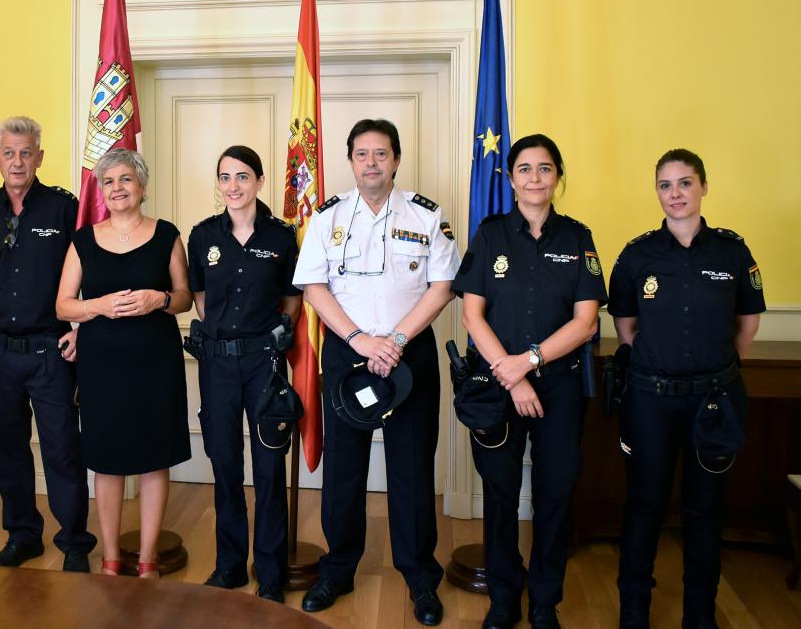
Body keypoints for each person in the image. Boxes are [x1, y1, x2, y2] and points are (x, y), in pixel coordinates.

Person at [292, 119, 459, 624]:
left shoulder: (427, 216)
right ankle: (338, 568)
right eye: (362, 154)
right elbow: (313, 286)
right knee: (345, 468)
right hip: (348, 353)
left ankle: (419, 577)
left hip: (409, 354)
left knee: (412, 467)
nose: (371, 162)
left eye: (381, 154)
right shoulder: (327, 217)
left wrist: (396, 340)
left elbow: (443, 284)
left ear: (396, 159)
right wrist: (360, 340)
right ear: (350, 161)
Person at [451, 133, 606, 629]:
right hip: (499, 384)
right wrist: (512, 374)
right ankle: (503, 597)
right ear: (511, 177)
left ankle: (544, 600)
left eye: (544, 168)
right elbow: (472, 316)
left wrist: (531, 362)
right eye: (524, 168)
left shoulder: (578, 237)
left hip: (559, 386)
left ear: (558, 177)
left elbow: (585, 323)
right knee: (498, 494)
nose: (534, 178)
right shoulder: (491, 233)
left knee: (555, 494)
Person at [610, 149, 764, 629]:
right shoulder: (637, 255)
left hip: (711, 401)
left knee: (705, 508)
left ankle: (700, 614)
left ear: (703, 187)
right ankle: (635, 610)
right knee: (644, 506)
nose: (674, 194)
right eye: (665, 185)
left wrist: (705, 368)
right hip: (651, 401)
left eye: (684, 183)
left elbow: (747, 324)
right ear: (656, 191)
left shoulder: (731, 251)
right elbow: (627, 328)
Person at [0, 116, 96, 572]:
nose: (17, 161)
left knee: (61, 448)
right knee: (7, 446)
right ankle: (22, 536)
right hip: (0, 351)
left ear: (40, 157)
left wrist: (82, 328)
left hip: (51, 351)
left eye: (26, 153)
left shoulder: (64, 208)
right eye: (9, 153)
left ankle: (74, 541)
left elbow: (91, 271)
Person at [55, 147, 192, 578]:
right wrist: (97, 306)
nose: (117, 188)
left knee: (155, 457)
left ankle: (148, 559)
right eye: (109, 181)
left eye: (126, 180)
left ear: (142, 187)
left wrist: (161, 299)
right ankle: (112, 559)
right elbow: (63, 306)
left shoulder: (168, 234)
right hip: (101, 367)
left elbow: (185, 297)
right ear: (100, 190)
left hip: (156, 363)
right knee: (106, 459)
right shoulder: (82, 241)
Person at [187, 145, 301, 602]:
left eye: (242, 177)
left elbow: (293, 298)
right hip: (216, 364)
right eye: (225, 177)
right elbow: (198, 294)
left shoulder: (281, 236)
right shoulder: (202, 236)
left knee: (270, 468)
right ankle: (230, 566)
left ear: (259, 181)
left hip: (264, 365)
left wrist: (269, 335)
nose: (233, 186)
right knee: (225, 466)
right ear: (218, 184)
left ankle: (271, 573)